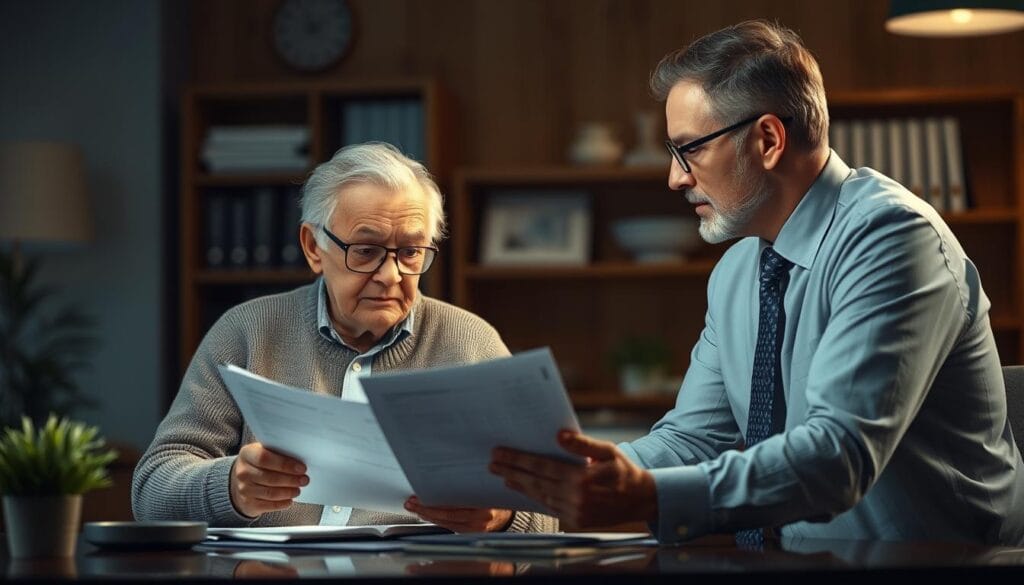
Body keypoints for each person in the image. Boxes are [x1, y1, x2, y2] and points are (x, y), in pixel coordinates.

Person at [490, 20, 1024, 545]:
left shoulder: (892, 238)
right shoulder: (739, 269)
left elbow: (837, 456)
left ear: (768, 139)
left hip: (946, 566)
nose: (675, 177)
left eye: (689, 149)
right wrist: (526, 486)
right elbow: (693, 439)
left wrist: (648, 496)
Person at [133, 142, 555, 533]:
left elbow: (552, 503)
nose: (390, 276)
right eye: (366, 251)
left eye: (410, 252)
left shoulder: (472, 344)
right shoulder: (247, 331)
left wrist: (503, 515)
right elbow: (151, 490)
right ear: (314, 247)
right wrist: (229, 487)